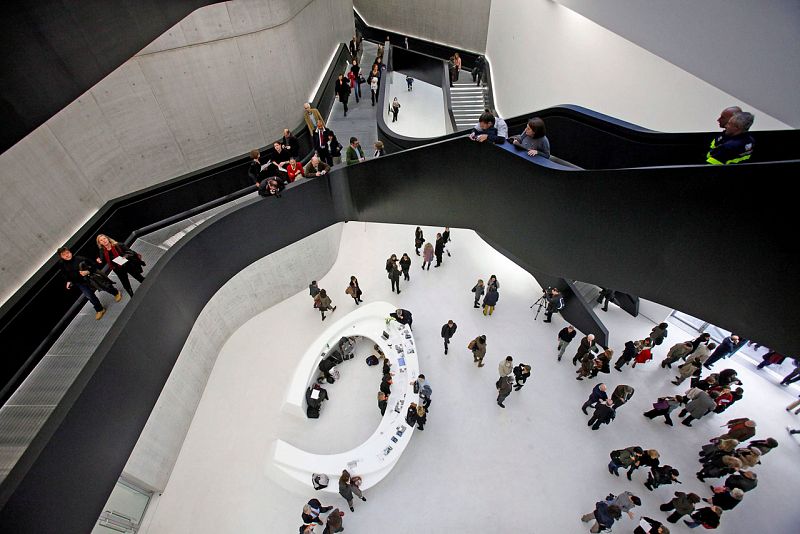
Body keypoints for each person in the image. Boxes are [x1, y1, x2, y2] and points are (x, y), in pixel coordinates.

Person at [58, 246, 121, 320]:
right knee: (90, 296)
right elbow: (65, 273)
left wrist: (87, 271)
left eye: (67, 253)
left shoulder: (80, 259)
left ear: (70, 252)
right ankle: (100, 309)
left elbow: (93, 265)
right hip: (79, 283)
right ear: (61, 257)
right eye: (63, 254)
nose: (66, 255)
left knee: (105, 287)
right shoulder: (62, 264)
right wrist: (68, 281)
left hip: (91, 278)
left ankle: (116, 293)